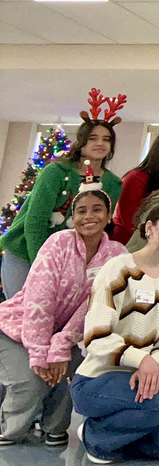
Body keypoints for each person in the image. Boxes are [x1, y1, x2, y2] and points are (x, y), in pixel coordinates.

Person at [0, 181, 126, 446]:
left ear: (108, 215)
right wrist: (40, 352)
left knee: (76, 369)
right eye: (81, 211)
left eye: (97, 210)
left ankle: (54, 426)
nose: (89, 216)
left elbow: (95, 306)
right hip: (16, 327)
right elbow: (38, 302)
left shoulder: (117, 256)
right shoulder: (57, 243)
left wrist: (60, 345)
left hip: (68, 334)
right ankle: (9, 430)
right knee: (31, 382)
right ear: (72, 217)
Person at [70, 201, 159, 463]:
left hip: (147, 375)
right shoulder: (119, 268)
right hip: (97, 379)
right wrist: (142, 360)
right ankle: (97, 436)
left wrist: (155, 362)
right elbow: (96, 335)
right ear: (150, 227)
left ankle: (122, 434)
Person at [1, 110, 123, 298]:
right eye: (93, 138)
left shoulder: (113, 184)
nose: (100, 143)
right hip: (26, 253)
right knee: (20, 314)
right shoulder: (56, 172)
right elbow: (35, 222)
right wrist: (42, 267)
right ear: (81, 142)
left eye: (106, 139)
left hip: (68, 262)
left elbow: (100, 227)